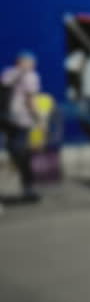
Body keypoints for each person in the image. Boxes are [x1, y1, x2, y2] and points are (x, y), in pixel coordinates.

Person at [0, 50, 43, 204]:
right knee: (23, 153)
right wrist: (39, 119)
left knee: (13, 149)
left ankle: (19, 182)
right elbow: (30, 100)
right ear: (25, 62)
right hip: (21, 120)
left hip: (5, 119)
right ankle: (27, 188)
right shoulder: (31, 76)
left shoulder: (7, 73)